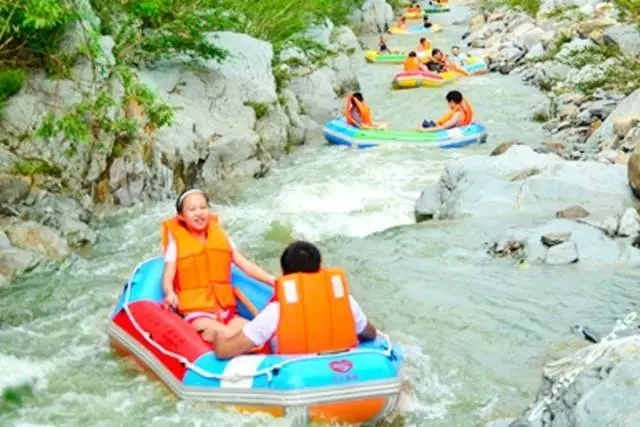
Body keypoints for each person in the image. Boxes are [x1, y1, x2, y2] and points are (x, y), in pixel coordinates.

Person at [212, 241, 378, 359]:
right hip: (348, 373)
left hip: (296, 378)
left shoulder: (277, 310)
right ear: (319, 268)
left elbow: (225, 351)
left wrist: (218, 336)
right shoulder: (345, 301)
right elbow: (370, 333)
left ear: (285, 274)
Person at [161, 189, 276, 342]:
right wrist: (170, 293)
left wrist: (272, 280)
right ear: (181, 216)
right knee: (228, 336)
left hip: (226, 312)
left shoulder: (222, 239)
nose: (199, 213)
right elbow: (168, 276)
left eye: (203, 207)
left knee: (261, 336)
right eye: (192, 209)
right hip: (198, 313)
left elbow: (246, 265)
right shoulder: (176, 245)